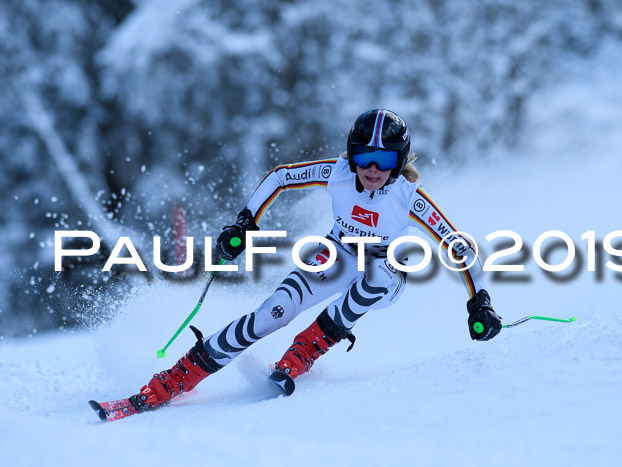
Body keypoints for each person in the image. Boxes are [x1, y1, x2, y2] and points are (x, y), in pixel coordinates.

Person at [130, 109, 502, 410]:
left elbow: (459, 247)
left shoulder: (408, 197)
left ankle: (306, 349)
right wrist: (245, 223)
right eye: (364, 157)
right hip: (338, 254)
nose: (373, 169)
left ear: (399, 160)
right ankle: (179, 376)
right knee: (273, 312)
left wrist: (479, 301)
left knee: (379, 275)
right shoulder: (337, 174)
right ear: (352, 155)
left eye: (385, 159)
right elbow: (280, 178)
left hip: (385, 270)